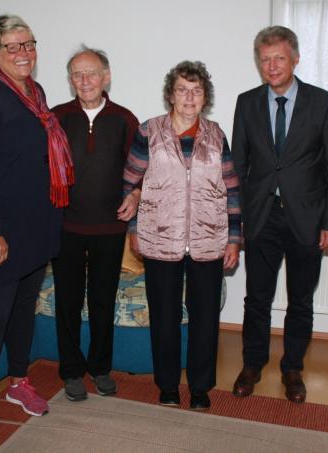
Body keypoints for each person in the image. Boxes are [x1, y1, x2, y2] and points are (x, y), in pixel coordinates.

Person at [0, 14, 74, 450]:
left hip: (35, 222)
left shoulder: (35, 94)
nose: (23, 53)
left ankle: (18, 382)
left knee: (24, 309)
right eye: (12, 47)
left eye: (28, 44)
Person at [230, 26, 328, 403]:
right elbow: (238, 167)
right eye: (264, 59)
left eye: (279, 58)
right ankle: (252, 364)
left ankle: (293, 369)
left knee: (301, 300)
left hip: (308, 220)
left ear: (295, 59)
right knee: (256, 299)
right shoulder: (247, 103)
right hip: (262, 218)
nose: (272, 66)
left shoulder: (321, 103)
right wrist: (238, 222)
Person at [122, 61, 241, 411]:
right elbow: (130, 184)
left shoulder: (217, 135)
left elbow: (232, 190)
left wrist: (234, 238)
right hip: (160, 238)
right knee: (164, 316)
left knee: (205, 319)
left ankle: (201, 388)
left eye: (197, 90)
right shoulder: (149, 131)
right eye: (182, 90)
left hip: (209, 239)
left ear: (205, 96)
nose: (189, 97)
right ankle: (169, 387)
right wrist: (133, 229)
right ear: (170, 95)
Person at [50, 46, 140, 401]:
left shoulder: (124, 119)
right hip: (66, 228)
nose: (84, 81)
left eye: (91, 73)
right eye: (76, 74)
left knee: (103, 301)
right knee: (68, 303)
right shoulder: (55, 118)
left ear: (106, 76)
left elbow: (140, 168)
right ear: (70, 79)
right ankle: (71, 371)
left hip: (109, 229)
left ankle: (100, 368)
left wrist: (135, 195)